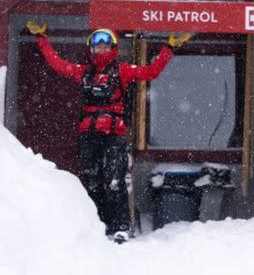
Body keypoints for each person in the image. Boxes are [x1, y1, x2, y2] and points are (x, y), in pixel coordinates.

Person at [25, 21, 190, 243]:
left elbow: (151, 71)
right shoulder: (83, 72)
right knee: (93, 181)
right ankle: (100, 224)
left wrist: (169, 48)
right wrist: (42, 38)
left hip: (114, 136)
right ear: (91, 48)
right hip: (88, 135)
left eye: (105, 45)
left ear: (112, 48)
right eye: (96, 45)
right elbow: (58, 64)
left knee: (115, 181)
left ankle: (122, 227)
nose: (101, 49)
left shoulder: (122, 71)